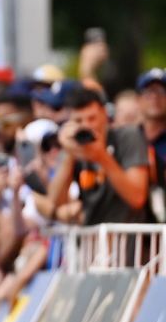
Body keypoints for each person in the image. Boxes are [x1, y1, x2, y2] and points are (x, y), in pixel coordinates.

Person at [48, 87, 149, 226]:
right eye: (78, 121)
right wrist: (69, 154)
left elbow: (137, 198)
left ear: (104, 114)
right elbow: (55, 203)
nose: (86, 126)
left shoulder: (128, 137)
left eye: (92, 118)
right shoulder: (72, 150)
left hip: (126, 242)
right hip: (92, 243)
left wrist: (101, 156)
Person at [136, 69, 166, 222]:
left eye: (162, 91)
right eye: (149, 92)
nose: (155, 97)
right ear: (138, 99)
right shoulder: (128, 139)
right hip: (133, 228)